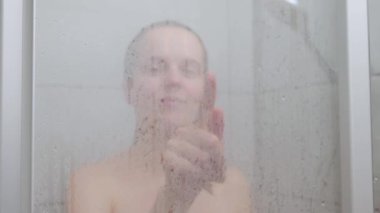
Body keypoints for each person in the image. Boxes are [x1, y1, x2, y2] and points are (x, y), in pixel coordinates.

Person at [67, 20, 252, 213]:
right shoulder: (92, 184)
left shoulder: (232, 185)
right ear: (129, 88)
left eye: (189, 70)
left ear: (205, 91)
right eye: (155, 68)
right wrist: (173, 202)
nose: (174, 80)